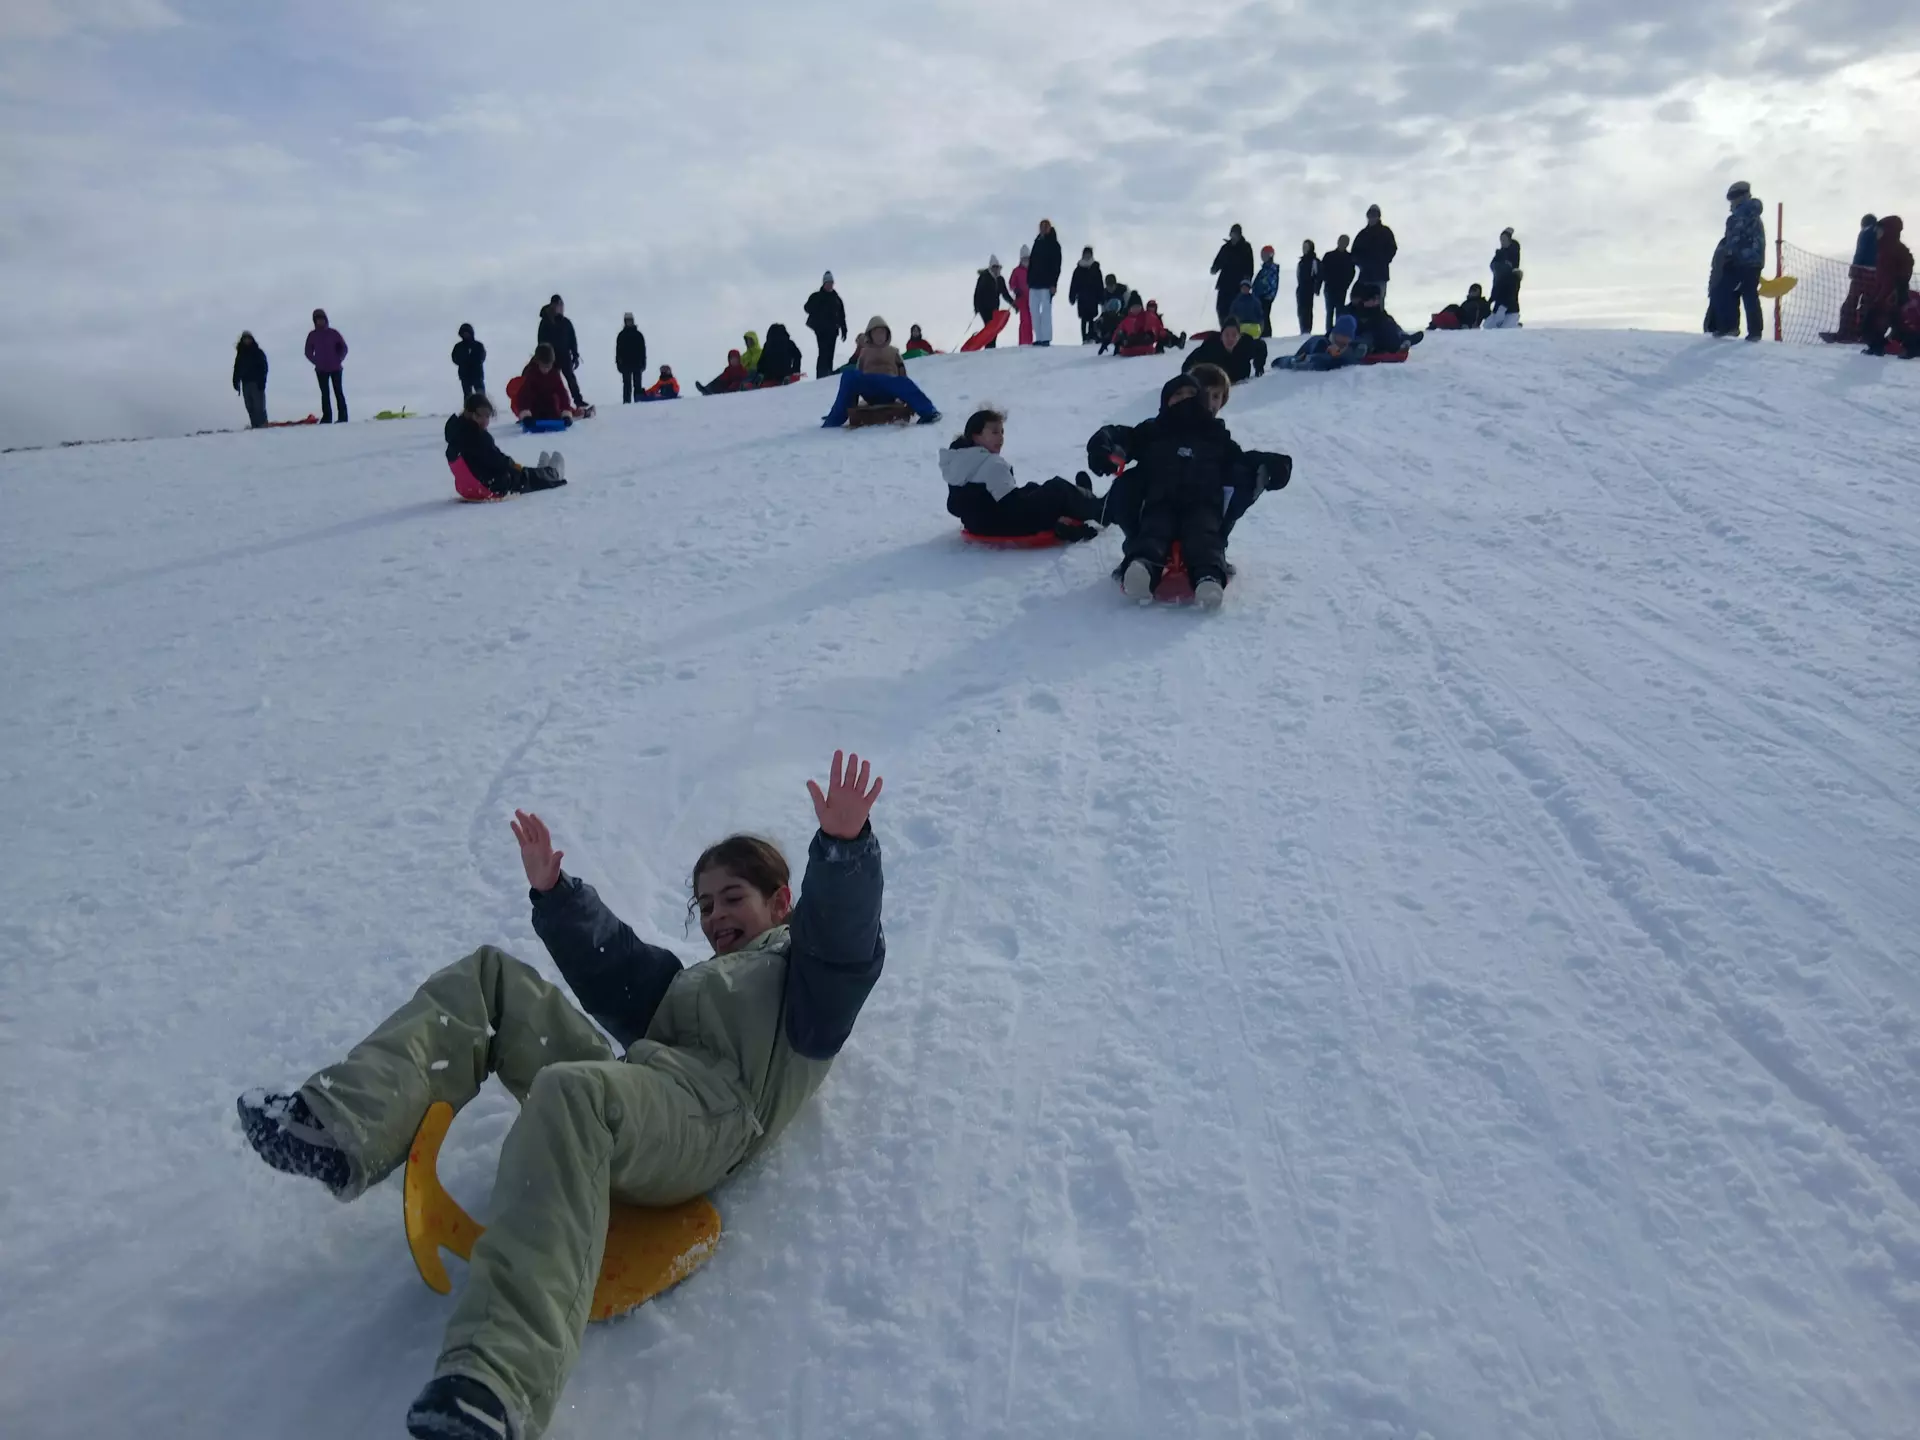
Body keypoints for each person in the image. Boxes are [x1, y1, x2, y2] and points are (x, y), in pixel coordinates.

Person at [237, 750, 887, 1440]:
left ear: (781, 902)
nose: (715, 914)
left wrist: (844, 850)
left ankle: (494, 1384)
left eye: (733, 898)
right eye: (704, 903)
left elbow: (843, 943)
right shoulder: (702, 981)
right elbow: (625, 973)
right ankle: (340, 1128)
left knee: (572, 1092)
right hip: (641, 1095)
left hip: (703, 1122)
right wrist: (557, 895)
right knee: (492, 980)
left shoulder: (804, 978)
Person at [1086, 364, 1291, 609]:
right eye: (1177, 396)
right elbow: (1120, 436)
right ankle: (1141, 570)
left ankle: (1208, 579)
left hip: (1202, 502)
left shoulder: (1215, 436)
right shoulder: (1154, 431)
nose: (1184, 401)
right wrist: (1105, 448)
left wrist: (1273, 465)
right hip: (1159, 500)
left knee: (1204, 536)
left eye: (1190, 396)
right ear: (1165, 401)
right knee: (1153, 532)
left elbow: (1242, 460)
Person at [941, 408, 1104, 540]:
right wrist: (1051, 521)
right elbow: (1014, 510)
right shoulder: (992, 464)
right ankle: (1098, 507)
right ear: (976, 436)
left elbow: (955, 506)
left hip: (978, 523)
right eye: (995, 432)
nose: (1001, 438)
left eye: (1002, 432)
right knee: (1057, 489)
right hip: (1004, 524)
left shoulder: (958, 460)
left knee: (1032, 488)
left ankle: (1080, 496)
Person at [443, 393, 567, 499]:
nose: (486, 420)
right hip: (490, 486)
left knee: (518, 472)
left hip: (468, 487)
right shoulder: (477, 436)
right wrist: (513, 465)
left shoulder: (457, 432)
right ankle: (553, 473)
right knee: (522, 476)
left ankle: (543, 470)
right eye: (483, 415)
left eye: (488, 416)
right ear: (471, 414)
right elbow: (497, 460)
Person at [820, 317, 940, 426]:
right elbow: (857, 378)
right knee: (849, 376)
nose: (879, 336)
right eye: (876, 332)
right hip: (870, 389)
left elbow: (902, 376)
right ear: (870, 335)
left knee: (902, 382)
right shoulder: (864, 353)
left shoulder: (893, 352)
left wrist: (907, 403)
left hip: (889, 389)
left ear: (887, 334)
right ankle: (835, 418)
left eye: (882, 332)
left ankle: (929, 412)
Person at [1707, 182, 1766, 340]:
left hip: (1746, 261)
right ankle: (1730, 327)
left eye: (1734, 198)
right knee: (1730, 291)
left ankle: (1752, 331)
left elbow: (1735, 239)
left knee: (1748, 293)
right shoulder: (1744, 215)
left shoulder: (1743, 215)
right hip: (1742, 260)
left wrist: (1730, 254)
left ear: (1743, 196)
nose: (1732, 202)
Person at [1863, 215, 1912, 356]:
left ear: (1889, 231)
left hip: (1892, 293)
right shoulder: (1882, 249)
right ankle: (1882, 346)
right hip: (1883, 291)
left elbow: (1908, 264)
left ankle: (1884, 347)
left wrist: (1899, 286)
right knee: (1874, 322)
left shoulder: (1897, 249)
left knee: (1876, 321)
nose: (1877, 234)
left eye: (1880, 230)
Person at [1832, 215, 1879, 343]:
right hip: (1877, 275)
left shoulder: (1865, 232)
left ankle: (1846, 333)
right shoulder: (1882, 234)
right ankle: (1864, 333)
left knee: (1851, 302)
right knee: (1868, 304)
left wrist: (1854, 268)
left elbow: (1860, 251)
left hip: (1862, 272)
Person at [1342, 282, 1422, 356]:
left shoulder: (1377, 310)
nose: (1376, 302)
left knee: (1390, 325)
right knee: (1369, 338)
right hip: (1364, 338)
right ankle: (1364, 349)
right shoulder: (1355, 310)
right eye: (1373, 299)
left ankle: (1403, 338)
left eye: (1377, 299)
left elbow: (1386, 321)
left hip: (1381, 337)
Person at [537, 296, 587, 406]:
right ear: (553, 305)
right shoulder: (546, 322)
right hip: (550, 357)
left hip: (564, 356)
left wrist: (575, 355)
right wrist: (542, 357)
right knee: (551, 381)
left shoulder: (566, 323)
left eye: (561, 305)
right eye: (558, 305)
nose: (560, 308)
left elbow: (572, 340)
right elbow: (541, 341)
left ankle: (578, 400)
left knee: (570, 378)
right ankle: (550, 403)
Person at [515, 344, 583, 422]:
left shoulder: (554, 374)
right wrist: (526, 415)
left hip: (551, 408)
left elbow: (562, 393)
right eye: (543, 366)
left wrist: (566, 413)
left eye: (548, 366)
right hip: (534, 408)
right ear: (538, 363)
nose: (546, 370)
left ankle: (576, 414)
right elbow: (524, 395)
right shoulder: (531, 374)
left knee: (555, 405)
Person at [1275, 313, 1364, 371]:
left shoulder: (1349, 347)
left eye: (1347, 337)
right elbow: (1314, 363)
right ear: (1335, 333)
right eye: (1342, 335)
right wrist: (1329, 354)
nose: (1344, 339)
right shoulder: (1321, 342)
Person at [304, 308, 348, 423]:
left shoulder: (333, 333)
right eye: (317, 320)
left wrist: (339, 359)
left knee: (338, 391)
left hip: (336, 368)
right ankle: (327, 417)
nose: (320, 322)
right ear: (314, 321)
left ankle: (343, 417)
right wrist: (316, 361)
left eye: (322, 319)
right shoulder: (312, 335)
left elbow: (344, 347)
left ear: (325, 319)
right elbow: (308, 351)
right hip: (321, 369)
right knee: (325, 394)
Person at [1184, 319, 1264, 382]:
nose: (1230, 339)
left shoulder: (1246, 345)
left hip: (1241, 384)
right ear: (1221, 336)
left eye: (1234, 335)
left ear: (1239, 336)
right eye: (1227, 335)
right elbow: (1188, 364)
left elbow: (1261, 347)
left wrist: (1259, 367)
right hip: (1218, 387)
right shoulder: (1211, 346)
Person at [804, 272, 850, 379]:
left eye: (831, 283)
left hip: (833, 330)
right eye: (827, 283)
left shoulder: (837, 299)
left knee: (830, 353)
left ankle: (828, 374)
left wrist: (844, 329)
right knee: (823, 351)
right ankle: (821, 375)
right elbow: (807, 308)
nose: (829, 285)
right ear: (824, 284)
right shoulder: (817, 296)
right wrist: (816, 306)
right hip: (821, 330)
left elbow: (842, 315)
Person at [1027, 218, 1063, 346]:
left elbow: (1057, 266)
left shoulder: (1054, 245)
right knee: (1034, 311)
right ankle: (1039, 337)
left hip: (1046, 284)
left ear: (1049, 228)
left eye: (1045, 227)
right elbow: (1031, 262)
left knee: (1046, 311)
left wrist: (1054, 283)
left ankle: (1046, 338)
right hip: (1034, 283)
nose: (1042, 229)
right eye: (1041, 227)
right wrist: (1029, 280)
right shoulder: (1037, 242)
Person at [1210, 223, 1255, 324]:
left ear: (1239, 235)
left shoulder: (1246, 247)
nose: (1233, 237)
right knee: (1221, 308)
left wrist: (1247, 281)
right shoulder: (1225, 248)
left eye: (1235, 234)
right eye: (1231, 234)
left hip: (1238, 286)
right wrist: (1214, 268)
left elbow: (1249, 267)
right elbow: (1218, 262)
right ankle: (1224, 329)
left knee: (1236, 310)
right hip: (1224, 284)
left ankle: (1235, 331)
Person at [1352, 205, 1397, 303]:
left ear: (1378, 217)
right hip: (1365, 277)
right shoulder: (1362, 234)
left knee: (1378, 303)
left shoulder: (1386, 232)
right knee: (1363, 304)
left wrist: (1384, 261)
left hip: (1380, 275)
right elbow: (1354, 253)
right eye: (1370, 215)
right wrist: (1361, 264)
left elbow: (1392, 248)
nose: (1372, 217)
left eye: (1375, 215)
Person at [972, 258, 1016, 344]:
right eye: (994, 267)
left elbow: (1005, 294)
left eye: (998, 267)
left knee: (994, 328)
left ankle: (991, 346)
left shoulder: (1000, 279)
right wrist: (976, 307)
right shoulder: (984, 277)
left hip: (994, 308)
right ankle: (989, 346)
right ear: (990, 268)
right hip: (983, 307)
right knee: (989, 326)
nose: (996, 269)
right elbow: (977, 293)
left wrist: (1014, 304)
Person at [1487, 228, 1523, 328]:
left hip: (1510, 310)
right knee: (1489, 327)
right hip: (1500, 306)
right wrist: (1491, 300)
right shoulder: (1500, 255)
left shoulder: (1512, 276)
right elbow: (1492, 265)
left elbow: (1510, 296)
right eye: (1501, 240)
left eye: (1504, 239)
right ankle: (1513, 325)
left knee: (1504, 329)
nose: (1502, 242)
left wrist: (1502, 308)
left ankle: (1515, 326)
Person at [232, 331, 269, 428]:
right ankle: (255, 425)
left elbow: (264, 367)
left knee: (259, 406)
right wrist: (235, 381)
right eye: (245, 339)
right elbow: (237, 369)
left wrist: (262, 381)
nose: (247, 340)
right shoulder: (240, 355)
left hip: (257, 383)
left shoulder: (258, 352)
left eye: (248, 338)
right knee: (250, 406)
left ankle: (263, 424)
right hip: (246, 383)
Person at [1069, 246, 1105, 343]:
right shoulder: (1078, 269)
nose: (1087, 255)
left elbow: (1100, 283)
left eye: (1089, 254)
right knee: (1084, 319)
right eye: (1086, 253)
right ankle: (1084, 338)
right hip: (1082, 297)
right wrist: (1072, 296)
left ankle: (1091, 336)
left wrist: (1101, 297)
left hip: (1093, 297)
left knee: (1091, 318)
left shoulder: (1095, 268)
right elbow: (1074, 283)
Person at [1320, 236, 1357, 329]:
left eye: (1345, 242)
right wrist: (1326, 280)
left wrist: (1346, 284)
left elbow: (1352, 272)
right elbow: (1322, 270)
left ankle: (1338, 331)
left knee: (1340, 311)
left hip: (1341, 289)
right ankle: (1329, 332)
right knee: (1330, 311)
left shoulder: (1349, 258)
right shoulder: (1329, 256)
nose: (1343, 244)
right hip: (1330, 288)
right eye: (1342, 241)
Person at [615, 314, 647, 403]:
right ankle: (626, 403)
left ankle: (638, 402)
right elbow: (618, 351)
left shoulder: (638, 335)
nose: (629, 322)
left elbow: (643, 350)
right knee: (627, 385)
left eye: (630, 320)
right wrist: (618, 363)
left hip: (637, 364)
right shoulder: (621, 335)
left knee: (637, 385)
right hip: (625, 364)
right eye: (627, 320)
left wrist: (643, 362)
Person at [452, 324, 487, 402]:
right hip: (465, 375)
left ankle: (484, 410)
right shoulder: (458, 346)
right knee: (467, 396)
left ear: (471, 333)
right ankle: (469, 412)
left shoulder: (478, 345)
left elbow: (482, 356)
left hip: (477, 374)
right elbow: (454, 358)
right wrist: (463, 361)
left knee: (481, 395)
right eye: (464, 333)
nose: (465, 334)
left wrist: (474, 361)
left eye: (467, 332)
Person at [1252, 245, 1281, 336]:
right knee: (1261, 316)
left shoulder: (1271, 269)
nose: (1263, 256)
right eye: (1262, 254)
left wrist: (1264, 293)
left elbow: (1269, 283)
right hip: (1260, 296)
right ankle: (1263, 333)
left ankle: (1266, 333)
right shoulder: (1264, 269)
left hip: (1265, 297)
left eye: (1265, 254)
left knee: (1264, 315)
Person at [1295, 241, 1320, 334]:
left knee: (1307, 310)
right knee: (1300, 310)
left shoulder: (1314, 261)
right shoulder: (1301, 262)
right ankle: (1302, 329)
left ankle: (1307, 330)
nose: (1304, 249)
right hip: (1301, 288)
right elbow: (1298, 275)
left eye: (1306, 247)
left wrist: (1316, 288)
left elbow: (1318, 275)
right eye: (1303, 247)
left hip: (1309, 289)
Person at [1010, 246, 1033, 346]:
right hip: (1022, 299)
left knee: (1031, 321)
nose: (1026, 261)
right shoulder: (1017, 271)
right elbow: (1011, 283)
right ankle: (1023, 342)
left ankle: (1029, 341)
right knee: (1025, 321)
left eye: (1027, 258)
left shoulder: (1033, 270)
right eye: (1024, 258)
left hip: (1032, 298)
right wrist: (1016, 290)